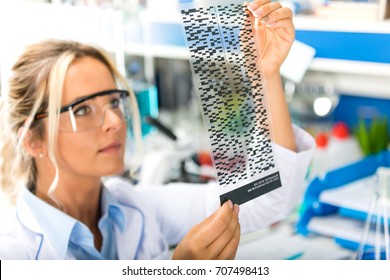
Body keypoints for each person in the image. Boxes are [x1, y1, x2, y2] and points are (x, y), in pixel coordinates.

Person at [0, 0, 314, 260]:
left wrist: (265, 74)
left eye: (113, 101)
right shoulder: (15, 255)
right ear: (32, 139)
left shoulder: (133, 207)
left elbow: (267, 198)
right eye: (82, 110)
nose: (114, 121)